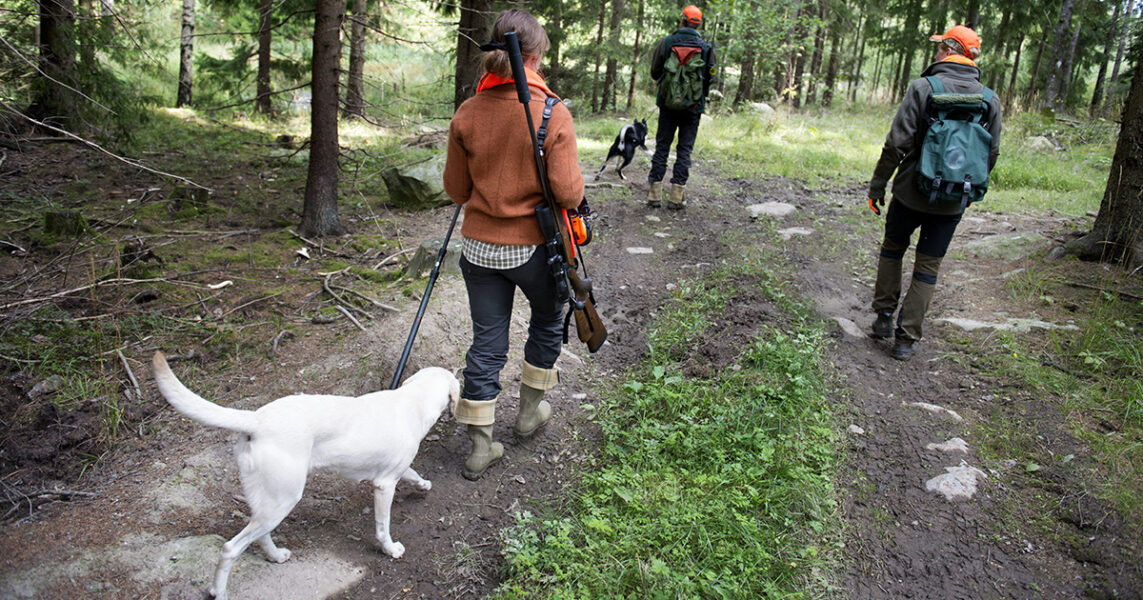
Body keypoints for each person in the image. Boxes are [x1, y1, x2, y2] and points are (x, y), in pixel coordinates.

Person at [442, 9, 585, 480]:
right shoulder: (552, 113)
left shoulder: (467, 112)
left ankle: (481, 445)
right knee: (547, 320)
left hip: (479, 249)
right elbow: (567, 193)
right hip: (534, 250)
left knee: (487, 343)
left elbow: (457, 190)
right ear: (537, 56)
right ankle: (528, 414)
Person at [866, 25, 1002, 360]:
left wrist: (878, 185)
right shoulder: (989, 98)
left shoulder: (923, 87)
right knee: (928, 267)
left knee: (893, 249)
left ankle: (884, 317)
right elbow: (991, 153)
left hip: (911, 191)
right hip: (953, 201)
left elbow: (895, 144)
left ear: (949, 50)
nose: (936, 50)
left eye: (940, 45)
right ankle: (906, 340)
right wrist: (964, 190)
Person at [646, 4, 716, 210]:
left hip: (667, 105)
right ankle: (676, 196)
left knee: (662, 147)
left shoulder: (667, 43)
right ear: (699, 23)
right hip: (693, 107)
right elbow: (710, 78)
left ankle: (654, 194)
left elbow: (654, 71)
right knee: (684, 149)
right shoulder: (705, 47)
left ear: (682, 20)